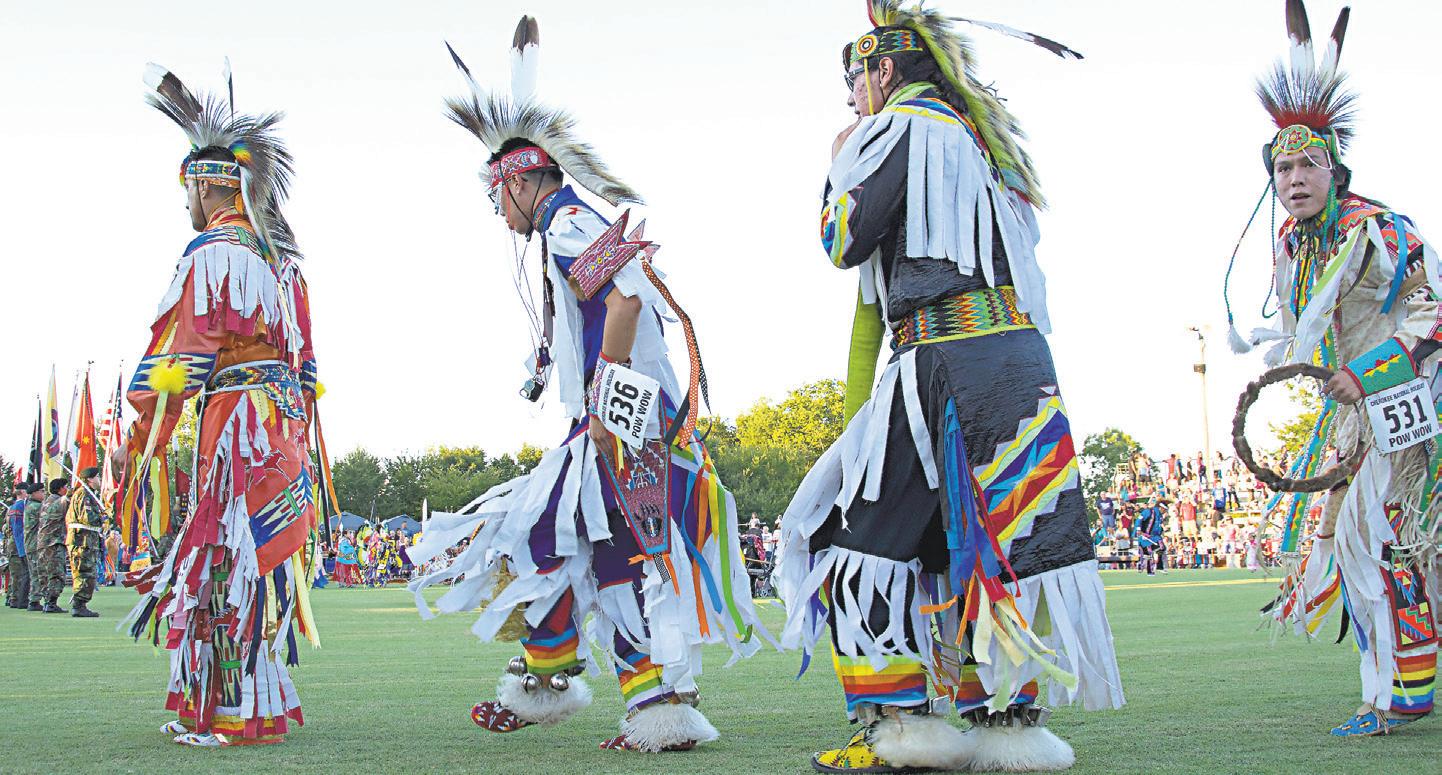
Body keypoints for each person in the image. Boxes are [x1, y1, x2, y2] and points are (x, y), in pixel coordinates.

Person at [774, 5, 1123, 772]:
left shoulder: (901, 128)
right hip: (1017, 369)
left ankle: (902, 728)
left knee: (856, 538)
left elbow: (842, 239)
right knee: (989, 543)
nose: (851, 99)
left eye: (854, 81)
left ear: (885, 69)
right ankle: (1008, 727)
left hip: (940, 361)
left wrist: (838, 163)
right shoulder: (981, 143)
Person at [409, 17, 770, 754]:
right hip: (636, 414)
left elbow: (627, 299)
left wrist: (604, 405)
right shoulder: (570, 224)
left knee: (540, 532)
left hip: (624, 416)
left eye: (496, 195)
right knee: (613, 554)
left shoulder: (567, 221)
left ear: (519, 179)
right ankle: (651, 707)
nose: (497, 211)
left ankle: (547, 680)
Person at [1226, 0, 1440, 738]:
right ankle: (1400, 685)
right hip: (1356, 411)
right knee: (1364, 540)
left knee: (1371, 539)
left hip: (1413, 397)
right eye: (1281, 167)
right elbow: (1308, 330)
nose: (1293, 178)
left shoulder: (1378, 228)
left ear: (1334, 168)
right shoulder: (1293, 244)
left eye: (1306, 164)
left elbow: (1434, 309)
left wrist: (1374, 372)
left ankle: (1397, 693)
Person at [116, 64, 327, 747]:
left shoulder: (212, 254)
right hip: (280, 430)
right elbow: (307, 364)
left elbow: (184, 356)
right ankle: (240, 707)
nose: (185, 203)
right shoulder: (281, 262)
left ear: (208, 186)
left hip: (236, 424)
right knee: (251, 562)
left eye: (187, 190)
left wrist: (143, 435)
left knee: (221, 556)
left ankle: (226, 714)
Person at [64, 467, 105, 617]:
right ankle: (78, 605)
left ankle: (80, 604)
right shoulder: (84, 494)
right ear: (90, 479)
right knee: (84, 573)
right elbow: (87, 517)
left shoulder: (88, 494)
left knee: (88, 573)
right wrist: (103, 517)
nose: (99, 480)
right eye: (97, 477)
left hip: (86, 540)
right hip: (81, 541)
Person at [32, 478, 71, 613]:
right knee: (57, 574)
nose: (67, 489)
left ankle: (48, 602)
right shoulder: (59, 502)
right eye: (66, 486)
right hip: (54, 543)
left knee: (44, 575)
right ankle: (51, 603)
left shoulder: (46, 502)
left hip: (43, 543)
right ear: (60, 489)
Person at [5, 484, 29, 608]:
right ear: (23, 492)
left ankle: (11, 597)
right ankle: (14, 598)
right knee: (18, 573)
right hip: (16, 543)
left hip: (12, 542)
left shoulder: (12, 507)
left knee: (15, 573)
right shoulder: (21, 506)